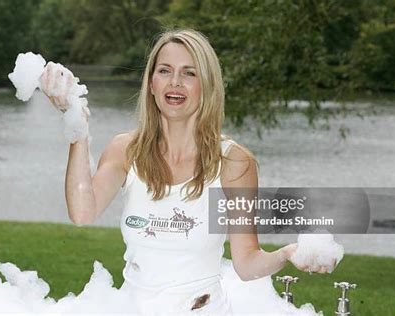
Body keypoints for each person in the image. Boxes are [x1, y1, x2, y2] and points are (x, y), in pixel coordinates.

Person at [41, 29, 334, 314]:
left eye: (189, 73)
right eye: (165, 71)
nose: (175, 82)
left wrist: (287, 253)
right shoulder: (124, 149)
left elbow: (246, 265)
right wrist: (76, 122)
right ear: (151, 83)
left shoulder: (234, 163)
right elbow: (82, 213)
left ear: (206, 85)